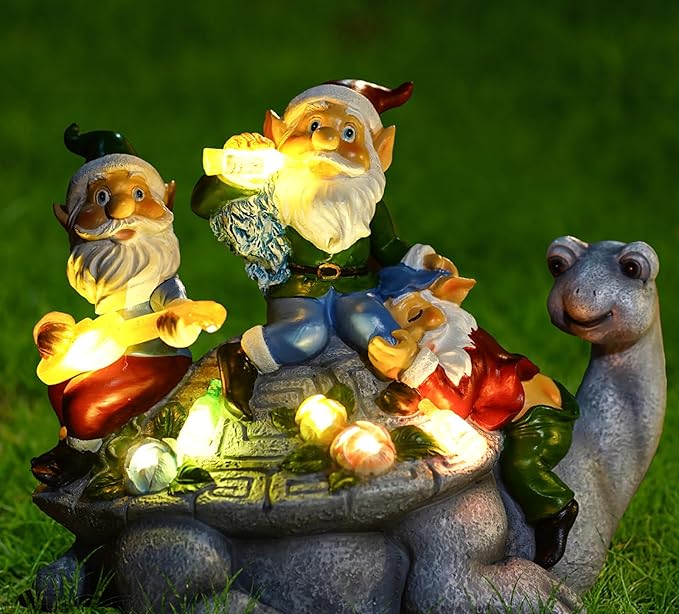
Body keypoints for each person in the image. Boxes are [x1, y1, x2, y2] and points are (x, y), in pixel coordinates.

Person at [192, 80, 451, 419]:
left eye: (348, 133)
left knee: (374, 327)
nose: (326, 140)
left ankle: (408, 381)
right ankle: (243, 358)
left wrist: (421, 262)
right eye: (314, 126)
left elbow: (388, 246)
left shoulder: (366, 204)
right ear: (278, 134)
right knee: (305, 334)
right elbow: (204, 204)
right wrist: (233, 176)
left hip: (356, 288)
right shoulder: (278, 197)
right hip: (300, 288)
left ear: (380, 151)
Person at [33, 124, 225, 483]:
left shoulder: (161, 281)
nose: (121, 210)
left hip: (156, 360)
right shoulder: (99, 272)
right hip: (112, 350)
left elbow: (180, 310)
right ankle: (78, 443)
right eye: (102, 198)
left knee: (84, 403)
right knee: (59, 387)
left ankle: (79, 456)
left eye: (138, 194)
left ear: (166, 201)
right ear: (69, 219)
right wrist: (54, 335)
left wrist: (179, 322)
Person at [369, 256, 579, 569]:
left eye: (414, 316)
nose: (409, 331)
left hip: (538, 418)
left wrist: (412, 364)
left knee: (521, 466)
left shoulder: (460, 352)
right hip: (520, 397)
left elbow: (456, 403)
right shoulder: (451, 341)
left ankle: (556, 509)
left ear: (437, 312)